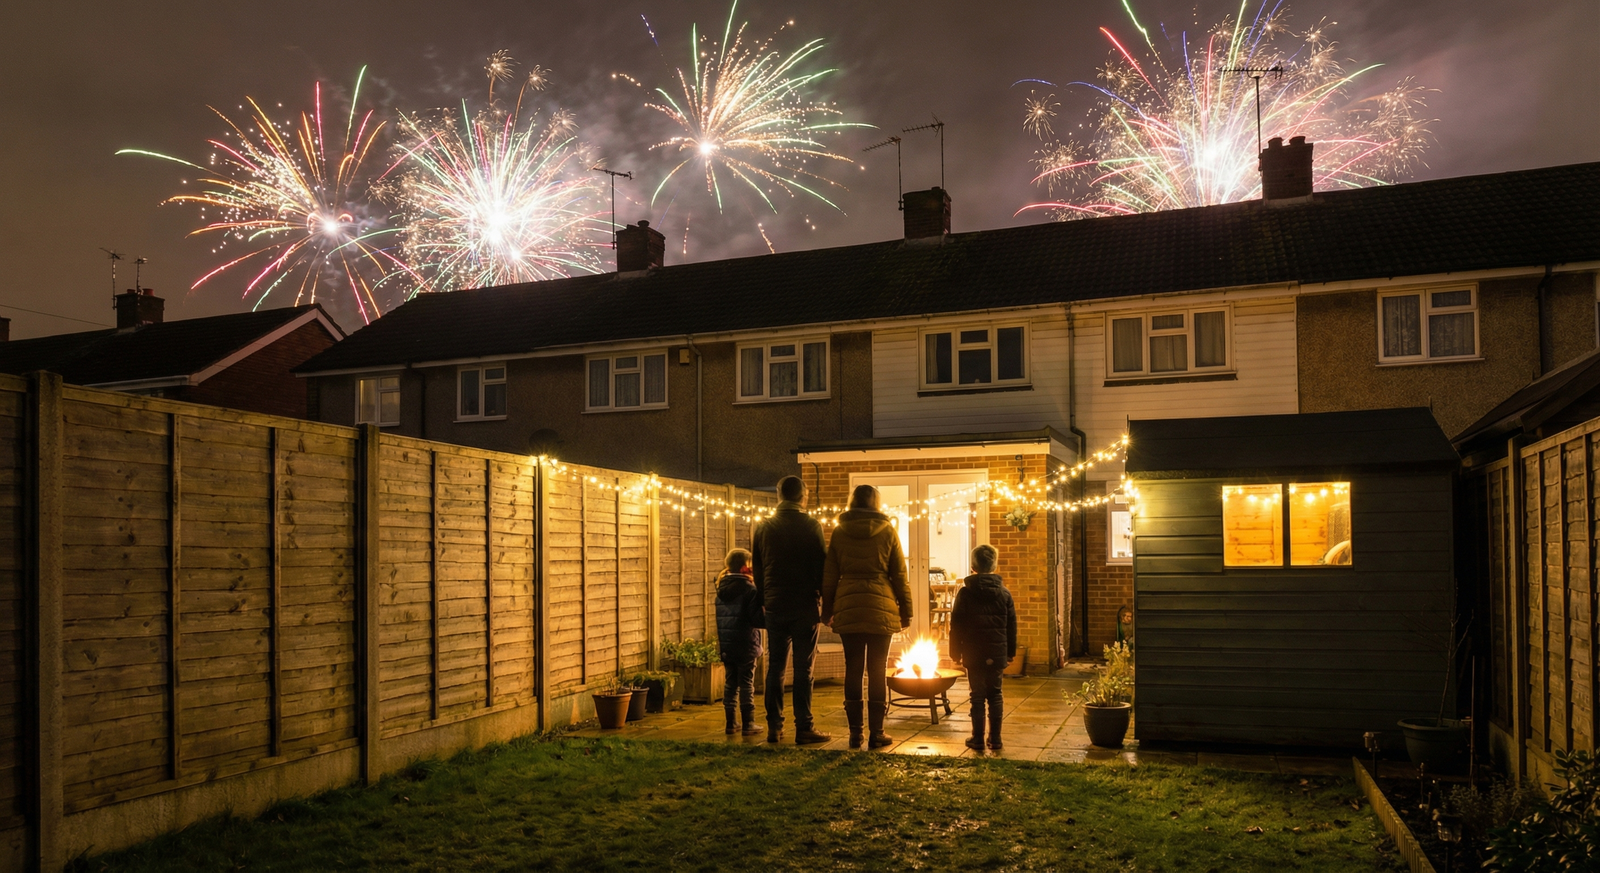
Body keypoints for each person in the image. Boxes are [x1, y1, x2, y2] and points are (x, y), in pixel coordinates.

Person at [822, 484, 913, 750]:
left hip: (849, 606)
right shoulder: (888, 532)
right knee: (876, 671)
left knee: (852, 669)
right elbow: (899, 576)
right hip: (880, 606)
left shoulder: (839, 532)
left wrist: (827, 610)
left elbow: (829, 576)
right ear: (876, 503)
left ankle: (854, 734)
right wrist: (906, 612)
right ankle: (877, 733)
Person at [751, 476, 832, 745]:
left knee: (775, 667)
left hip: (775, 604)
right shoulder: (810, 525)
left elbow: (759, 569)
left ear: (778, 495)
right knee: (803, 669)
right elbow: (821, 565)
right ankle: (804, 727)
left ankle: (774, 726)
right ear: (803, 497)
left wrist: (764, 598)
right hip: (804, 604)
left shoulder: (764, 527)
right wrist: (823, 599)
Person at [948, 544, 1018, 752]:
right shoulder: (1004, 594)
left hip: (973, 651)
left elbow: (956, 625)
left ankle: (977, 738)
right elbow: (1011, 626)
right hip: (996, 652)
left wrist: (955, 652)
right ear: (994, 565)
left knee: (977, 695)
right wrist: (1010, 652)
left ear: (973, 566)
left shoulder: (965, 594)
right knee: (995, 694)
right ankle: (995, 738)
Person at [715, 549, 763, 737]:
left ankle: (730, 723)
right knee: (746, 683)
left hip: (727, 644)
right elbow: (756, 620)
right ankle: (748, 723)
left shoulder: (721, 589)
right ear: (745, 566)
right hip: (746, 643)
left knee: (730, 683)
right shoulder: (749, 590)